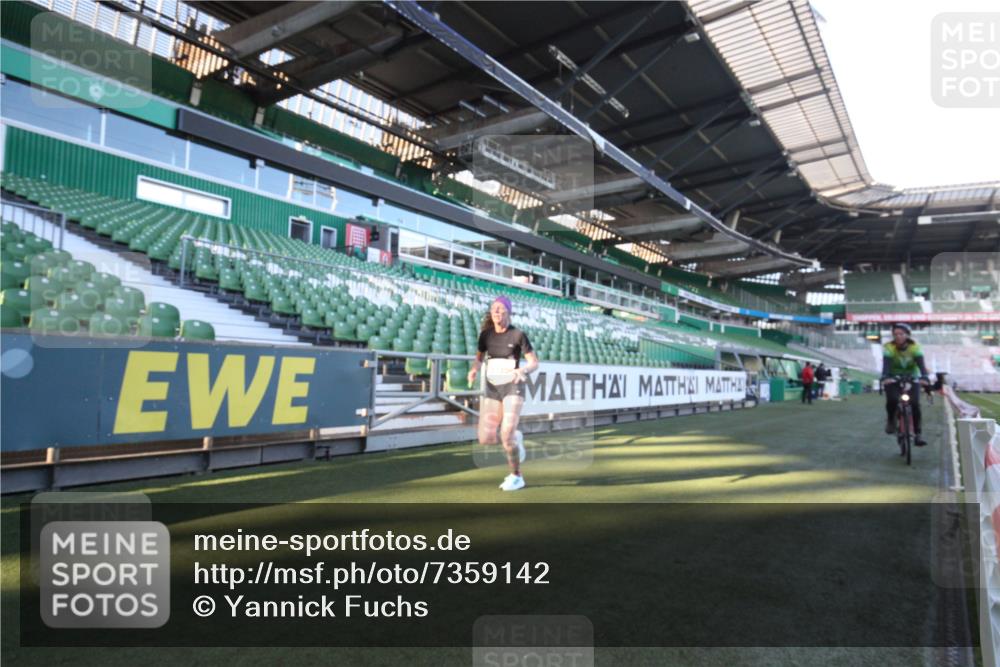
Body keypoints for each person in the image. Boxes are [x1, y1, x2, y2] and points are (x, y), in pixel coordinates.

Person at [467, 296, 539, 491]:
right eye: (494, 309)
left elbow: (534, 362)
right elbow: (479, 359)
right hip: (492, 387)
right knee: (485, 438)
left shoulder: (518, 335)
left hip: (512, 386)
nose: (497, 312)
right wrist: (474, 370)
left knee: (505, 435)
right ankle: (516, 437)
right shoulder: (486, 335)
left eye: (501, 309)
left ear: (508, 312)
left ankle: (517, 476)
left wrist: (522, 370)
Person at [881, 323, 930, 447]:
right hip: (893, 377)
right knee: (892, 399)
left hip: (912, 376)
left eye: (901, 334)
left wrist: (924, 377)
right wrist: (885, 377)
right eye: (895, 334)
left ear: (907, 335)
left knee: (915, 404)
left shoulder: (915, 347)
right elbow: (886, 365)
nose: (898, 336)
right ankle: (891, 420)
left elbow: (921, 365)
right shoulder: (889, 347)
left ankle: (918, 434)